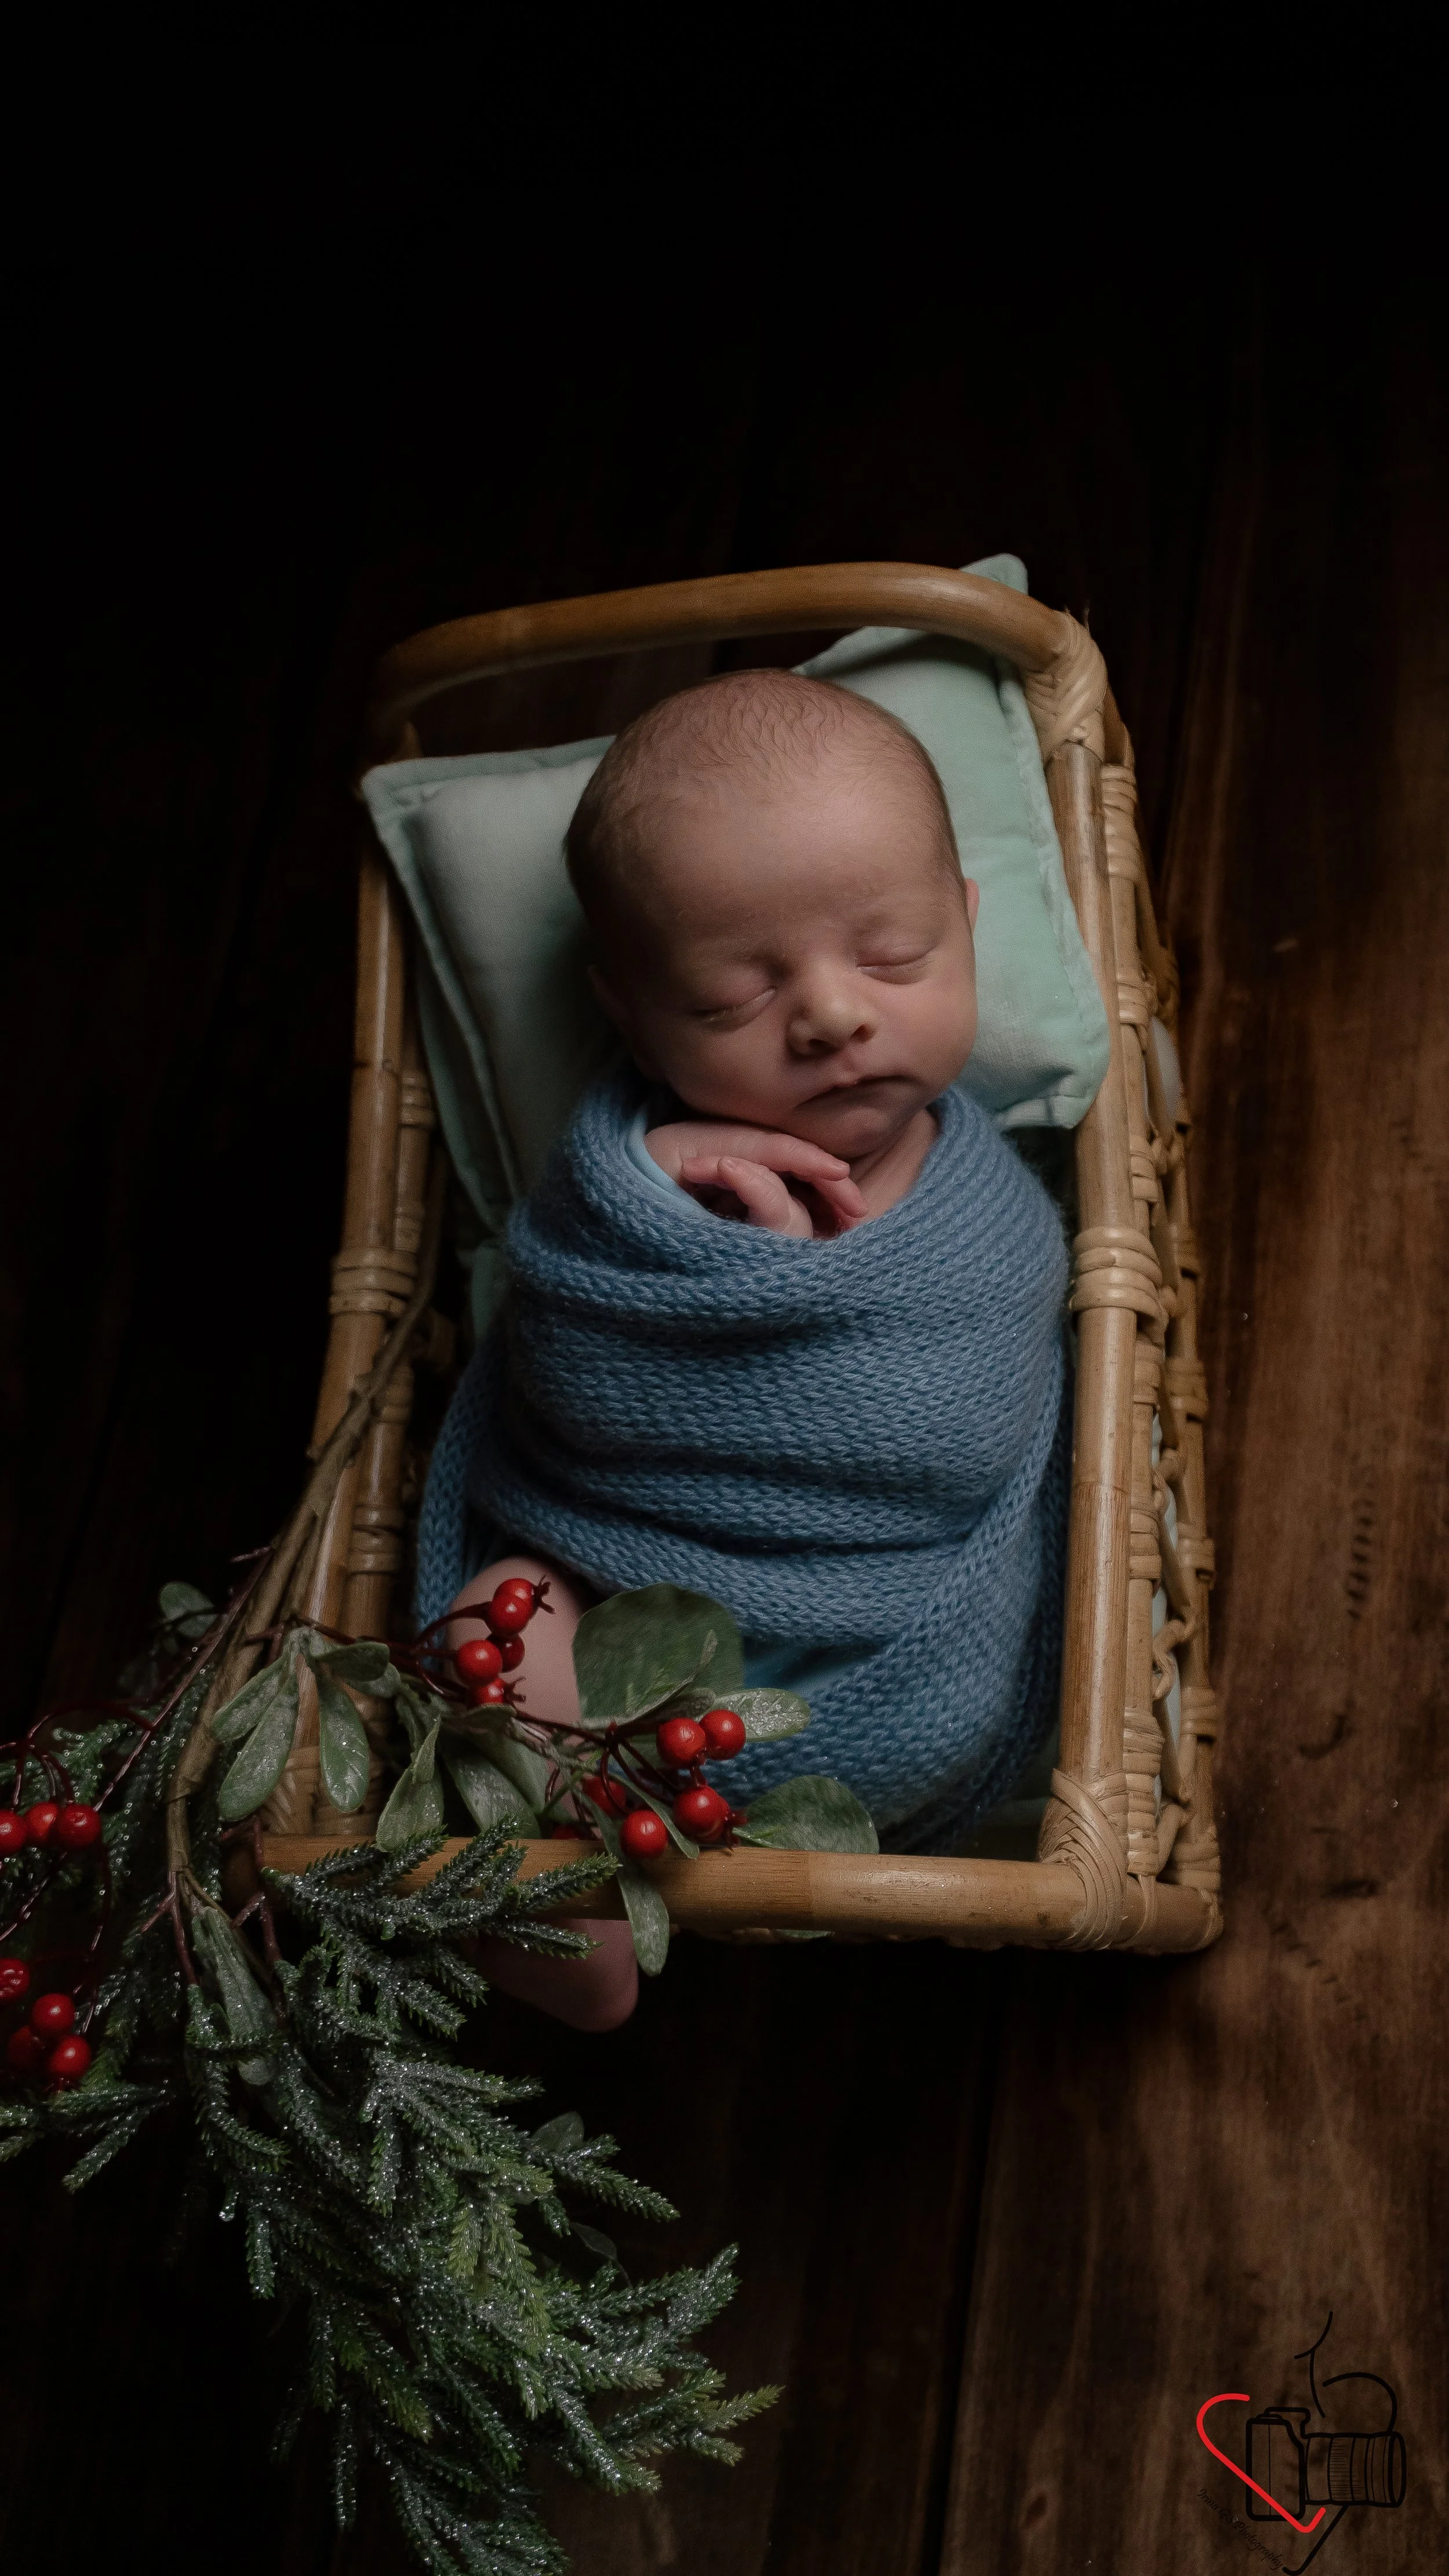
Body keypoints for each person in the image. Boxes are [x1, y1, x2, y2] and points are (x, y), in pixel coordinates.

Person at [431, 668, 1069, 2028]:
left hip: (886, 1654)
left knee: (951, 1696)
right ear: (629, 1013)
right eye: (731, 999)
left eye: (891, 957)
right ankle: (555, 1896)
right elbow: (565, 1365)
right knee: (491, 1624)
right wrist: (664, 1222)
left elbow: (973, 1419)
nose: (830, 1015)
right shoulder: (623, 1181)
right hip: (619, 1618)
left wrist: (808, 1307)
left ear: (965, 924)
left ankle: (628, 1846)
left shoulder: (987, 1210)